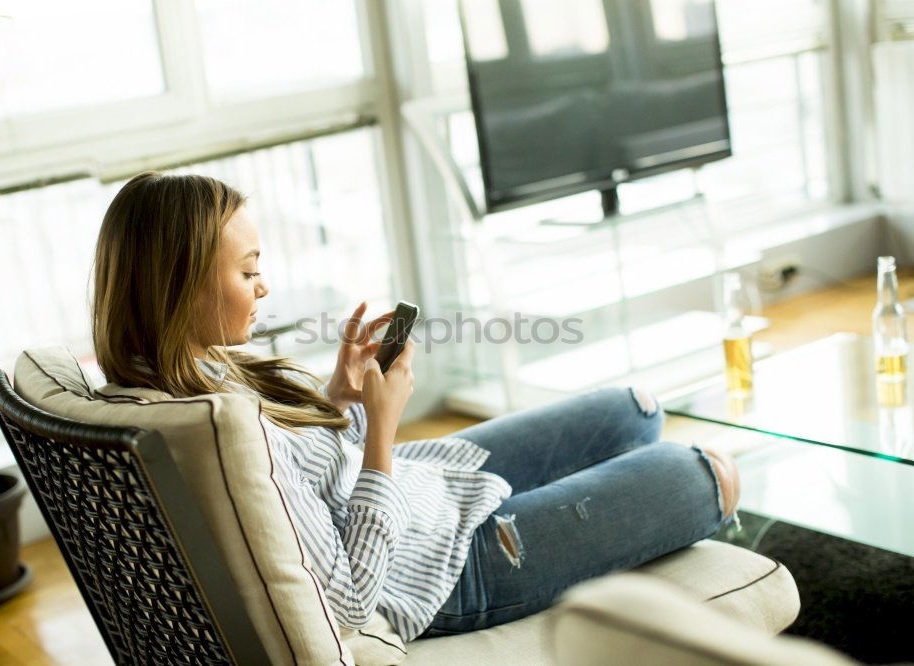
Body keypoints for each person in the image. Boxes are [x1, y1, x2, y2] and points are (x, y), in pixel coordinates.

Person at [91, 171, 742, 643]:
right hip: (444, 570)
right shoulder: (214, 427)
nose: (265, 286)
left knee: (632, 410)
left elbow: (302, 475)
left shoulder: (189, 373)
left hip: (427, 494)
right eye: (246, 271)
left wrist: (341, 400)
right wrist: (381, 433)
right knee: (708, 472)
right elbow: (348, 599)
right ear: (178, 282)